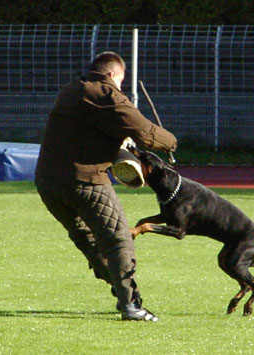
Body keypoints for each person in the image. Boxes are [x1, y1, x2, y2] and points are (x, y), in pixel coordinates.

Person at [35, 51, 177, 321]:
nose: (120, 86)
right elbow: (146, 133)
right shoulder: (108, 96)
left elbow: (93, 128)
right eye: (121, 80)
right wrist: (171, 142)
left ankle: (119, 290)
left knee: (87, 239)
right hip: (85, 180)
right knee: (118, 241)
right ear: (113, 75)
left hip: (47, 182)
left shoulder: (71, 89)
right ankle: (131, 306)